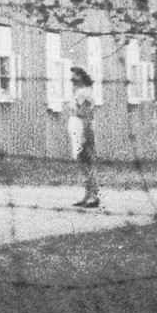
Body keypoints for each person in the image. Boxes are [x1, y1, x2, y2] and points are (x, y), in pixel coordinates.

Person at [68, 66, 100, 208]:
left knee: (86, 161)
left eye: (74, 76)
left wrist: (86, 134)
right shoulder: (79, 91)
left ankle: (93, 195)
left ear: (80, 76)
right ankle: (87, 194)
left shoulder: (85, 92)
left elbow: (86, 114)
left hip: (82, 128)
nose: (71, 79)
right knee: (82, 162)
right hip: (77, 127)